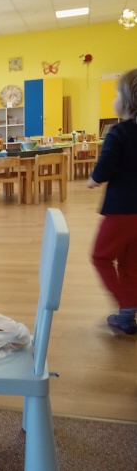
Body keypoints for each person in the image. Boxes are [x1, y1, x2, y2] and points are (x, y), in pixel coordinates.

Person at [87, 68, 137, 336]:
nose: (114, 99)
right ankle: (129, 310)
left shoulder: (118, 132)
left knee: (101, 256)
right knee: (131, 262)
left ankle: (127, 307)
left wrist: (93, 179)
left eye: (117, 94)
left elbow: (105, 166)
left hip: (121, 211)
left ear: (127, 101)